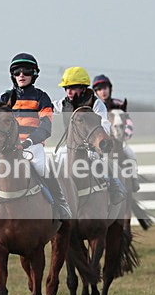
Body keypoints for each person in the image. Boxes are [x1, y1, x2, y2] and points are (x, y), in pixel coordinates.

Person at [0, 52, 72, 230]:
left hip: (32, 147)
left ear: (34, 75)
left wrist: (27, 142)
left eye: (26, 72)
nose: (21, 75)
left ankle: (61, 205)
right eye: (17, 72)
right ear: (13, 76)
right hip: (7, 149)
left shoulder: (41, 97)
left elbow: (46, 127)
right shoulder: (5, 98)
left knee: (43, 168)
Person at [54, 67, 126, 204]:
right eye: (66, 88)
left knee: (100, 162)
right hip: (70, 146)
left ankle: (115, 186)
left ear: (82, 87)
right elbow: (46, 108)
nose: (68, 91)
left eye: (72, 87)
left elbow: (104, 123)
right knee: (57, 162)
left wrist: (97, 141)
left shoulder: (96, 103)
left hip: (92, 146)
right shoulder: (63, 103)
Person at [93, 73, 139, 191]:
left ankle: (134, 180)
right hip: (100, 144)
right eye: (99, 89)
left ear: (110, 89)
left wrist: (125, 135)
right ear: (95, 92)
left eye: (105, 88)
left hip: (118, 142)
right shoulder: (94, 107)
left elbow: (128, 122)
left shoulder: (118, 104)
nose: (103, 92)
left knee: (130, 154)